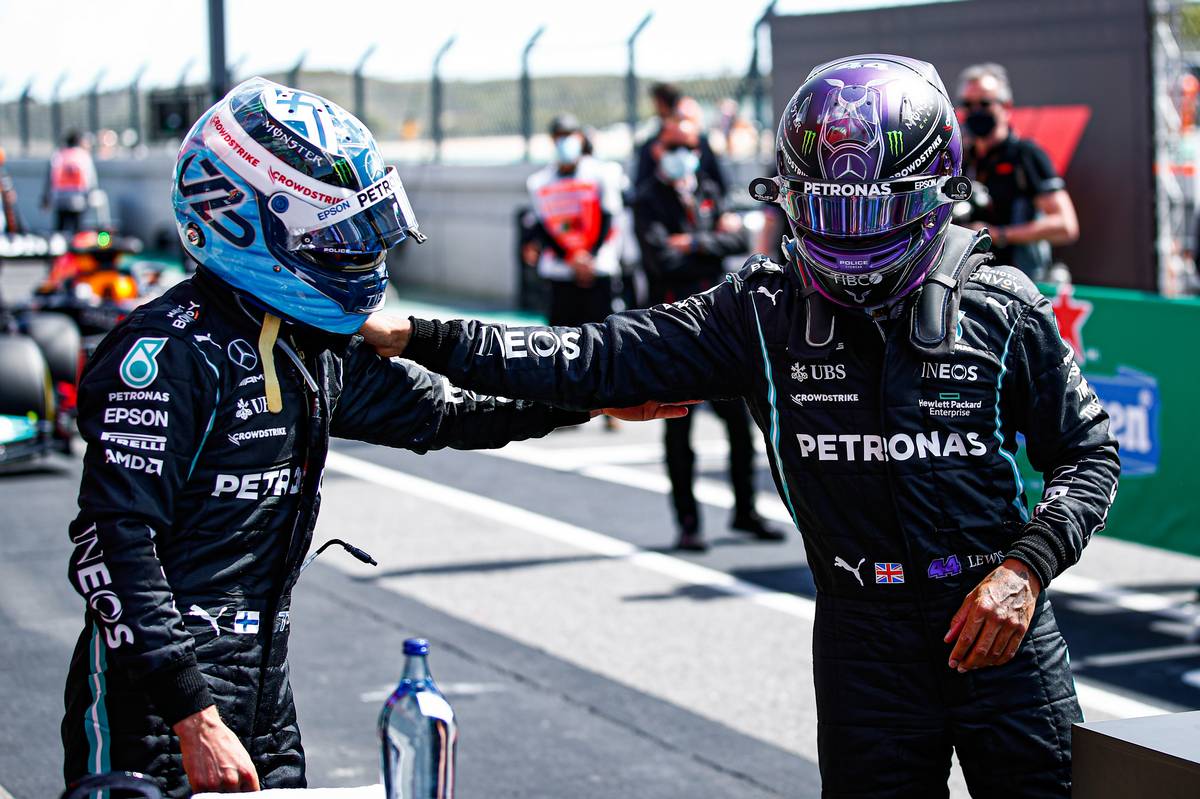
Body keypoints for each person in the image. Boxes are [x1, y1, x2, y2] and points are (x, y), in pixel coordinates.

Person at [363, 54, 1120, 798]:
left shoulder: (1003, 308)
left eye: (871, 209)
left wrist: (1025, 569)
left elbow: (1088, 454)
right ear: (788, 198)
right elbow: (590, 356)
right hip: (865, 639)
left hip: (999, 628)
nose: (849, 236)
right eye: (827, 208)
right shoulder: (760, 310)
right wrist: (424, 337)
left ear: (935, 194)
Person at [60, 78, 683, 798]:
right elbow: (111, 544)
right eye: (335, 235)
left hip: (264, 694)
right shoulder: (164, 357)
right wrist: (191, 713)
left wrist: (593, 398)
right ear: (241, 220)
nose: (356, 252)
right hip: (153, 707)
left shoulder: (312, 343)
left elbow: (446, 413)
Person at [633, 113, 782, 550]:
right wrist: (706, 240)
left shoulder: (710, 191)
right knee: (677, 426)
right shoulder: (646, 199)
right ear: (658, 149)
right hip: (670, 327)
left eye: (690, 146)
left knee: (740, 424)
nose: (683, 155)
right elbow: (661, 259)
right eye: (673, 146)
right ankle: (688, 521)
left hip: (716, 325)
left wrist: (691, 242)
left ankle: (745, 511)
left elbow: (737, 245)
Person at [957, 63, 1079, 280]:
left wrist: (998, 234)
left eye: (985, 103)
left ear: (1006, 107)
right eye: (968, 104)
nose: (976, 111)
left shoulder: (1026, 155)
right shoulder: (961, 157)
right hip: (969, 278)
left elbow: (1065, 226)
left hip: (1020, 282)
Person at [523, 114, 624, 328]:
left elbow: (609, 217)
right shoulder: (539, 182)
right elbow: (542, 226)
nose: (565, 141)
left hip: (598, 266)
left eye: (569, 135)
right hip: (560, 270)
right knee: (560, 336)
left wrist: (589, 257)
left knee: (602, 335)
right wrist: (570, 258)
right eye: (559, 136)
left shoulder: (601, 174)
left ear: (580, 137)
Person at [633, 82, 727, 196]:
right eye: (672, 148)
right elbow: (640, 191)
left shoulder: (700, 143)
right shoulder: (651, 148)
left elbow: (720, 187)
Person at [43, 130, 98, 234]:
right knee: (78, 231)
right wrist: (90, 196)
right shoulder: (83, 156)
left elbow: (49, 179)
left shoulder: (58, 155)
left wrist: (46, 199)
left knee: (60, 231)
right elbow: (91, 179)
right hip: (79, 200)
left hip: (60, 199)